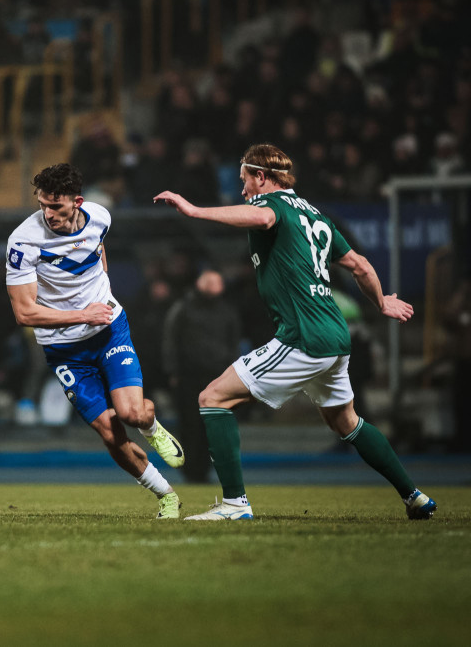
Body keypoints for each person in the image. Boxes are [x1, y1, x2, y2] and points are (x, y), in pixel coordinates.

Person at [154, 143, 438, 521]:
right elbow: (359, 264)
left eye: (245, 181)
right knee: (346, 422)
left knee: (212, 398)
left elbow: (257, 217)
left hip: (303, 336)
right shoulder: (316, 215)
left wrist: (194, 210)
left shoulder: (273, 206)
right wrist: (381, 302)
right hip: (335, 335)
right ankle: (414, 497)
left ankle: (234, 504)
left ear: (261, 177)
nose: (243, 191)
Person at [5, 163, 185, 519]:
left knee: (132, 413)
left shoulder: (101, 216)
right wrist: (82, 314)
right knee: (109, 431)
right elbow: (24, 313)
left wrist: (103, 291)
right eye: (42, 205)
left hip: (108, 331)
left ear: (78, 202)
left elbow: (97, 249)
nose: (48, 214)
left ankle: (150, 426)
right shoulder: (23, 241)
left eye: (56, 206)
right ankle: (166, 495)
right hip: (65, 349)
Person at [162, 269, 241, 483]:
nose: (216, 286)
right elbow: (171, 340)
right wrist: (172, 371)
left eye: (218, 281)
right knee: (189, 425)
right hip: (188, 376)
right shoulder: (183, 308)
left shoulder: (227, 311)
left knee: (212, 426)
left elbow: (234, 344)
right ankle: (190, 471)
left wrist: (233, 373)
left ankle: (204, 470)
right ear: (200, 283)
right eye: (211, 281)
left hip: (217, 377)